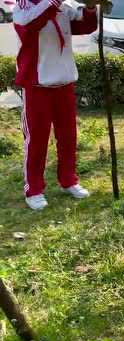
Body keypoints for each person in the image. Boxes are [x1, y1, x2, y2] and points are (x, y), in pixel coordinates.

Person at [13, 0, 103, 210]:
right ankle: (34, 190)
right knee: (36, 139)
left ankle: (68, 180)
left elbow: (85, 26)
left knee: (68, 136)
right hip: (37, 83)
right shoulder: (22, 7)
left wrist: (90, 9)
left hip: (64, 80)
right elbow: (31, 25)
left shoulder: (64, 5)